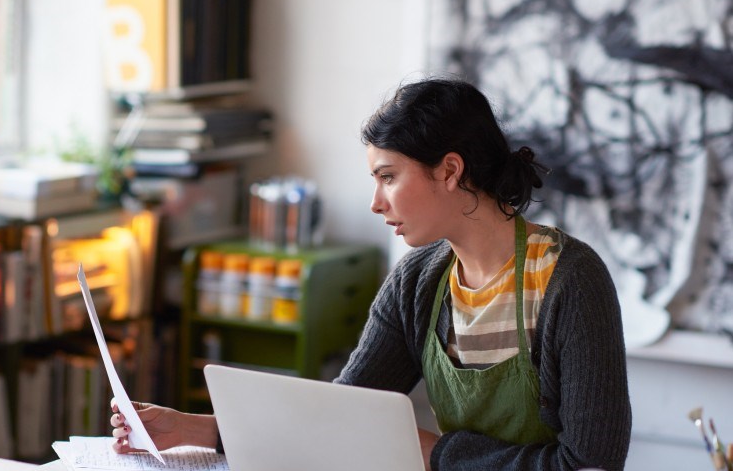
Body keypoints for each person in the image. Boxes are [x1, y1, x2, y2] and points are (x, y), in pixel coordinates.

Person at [110, 78, 632, 470]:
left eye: (388, 177)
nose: (375, 203)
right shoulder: (417, 283)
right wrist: (190, 428)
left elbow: (588, 465)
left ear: (450, 170)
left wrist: (439, 454)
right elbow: (335, 415)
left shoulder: (570, 280)